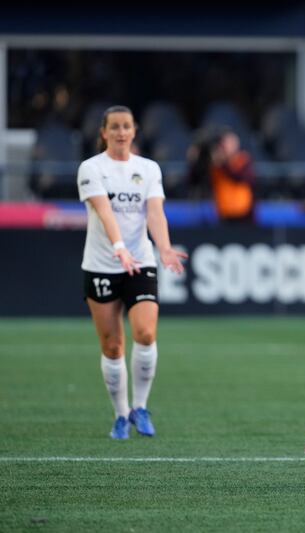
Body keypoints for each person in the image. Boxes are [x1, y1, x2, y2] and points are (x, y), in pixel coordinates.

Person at [77, 105, 187, 439]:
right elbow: (105, 211)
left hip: (140, 262)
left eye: (126, 126)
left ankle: (140, 407)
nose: (121, 132)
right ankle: (121, 414)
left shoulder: (148, 169)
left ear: (135, 131)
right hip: (102, 264)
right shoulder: (91, 168)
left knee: (146, 334)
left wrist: (164, 247)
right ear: (104, 132)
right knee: (112, 346)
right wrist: (118, 248)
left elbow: (155, 212)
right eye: (115, 127)